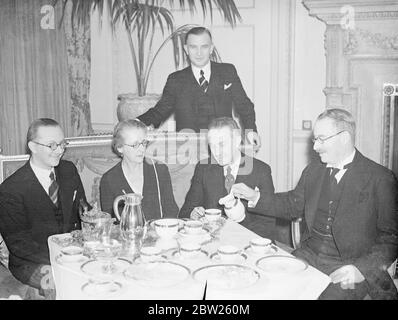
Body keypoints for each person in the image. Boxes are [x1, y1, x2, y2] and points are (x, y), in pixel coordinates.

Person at [249, 108, 398, 300]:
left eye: (321, 139)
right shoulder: (313, 171)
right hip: (308, 256)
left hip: (349, 265)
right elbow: (291, 204)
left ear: (344, 137)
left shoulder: (380, 178)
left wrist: (361, 269)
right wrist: (255, 197)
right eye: (314, 140)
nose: (315, 147)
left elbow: (392, 238)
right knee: (271, 287)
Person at [0, 118, 87, 296]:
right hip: (32, 261)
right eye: (52, 145)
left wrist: (94, 219)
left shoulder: (69, 170)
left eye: (62, 144)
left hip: (74, 252)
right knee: (59, 285)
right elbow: (18, 244)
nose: (60, 151)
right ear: (32, 146)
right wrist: (61, 260)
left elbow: (82, 210)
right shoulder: (11, 189)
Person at [137, 26, 261, 148]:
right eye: (193, 47)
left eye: (204, 47)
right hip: (188, 150)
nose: (199, 53)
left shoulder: (227, 71)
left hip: (226, 146)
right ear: (186, 49)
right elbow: (159, 112)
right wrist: (135, 124)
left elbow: (244, 105)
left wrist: (251, 130)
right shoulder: (175, 80)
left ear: (211, 48)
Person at [179, 117, 276, 239]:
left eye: (221, 144)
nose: (216, 152)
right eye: (212, 146)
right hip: (212, 244)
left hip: (247, 243)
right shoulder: (203, 169)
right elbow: (185, 211)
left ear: (237, 140)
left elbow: (267, 226)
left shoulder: (261, 170)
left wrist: (234, 238)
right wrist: (193, 215)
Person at [100, 119, 179, 221]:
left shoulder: (159, 170)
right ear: (120, 147)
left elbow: (171, 211)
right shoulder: (109, 179)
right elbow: (109, 221)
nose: (142, 149)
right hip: (127, 236)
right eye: (135, 145)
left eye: (144, 143)